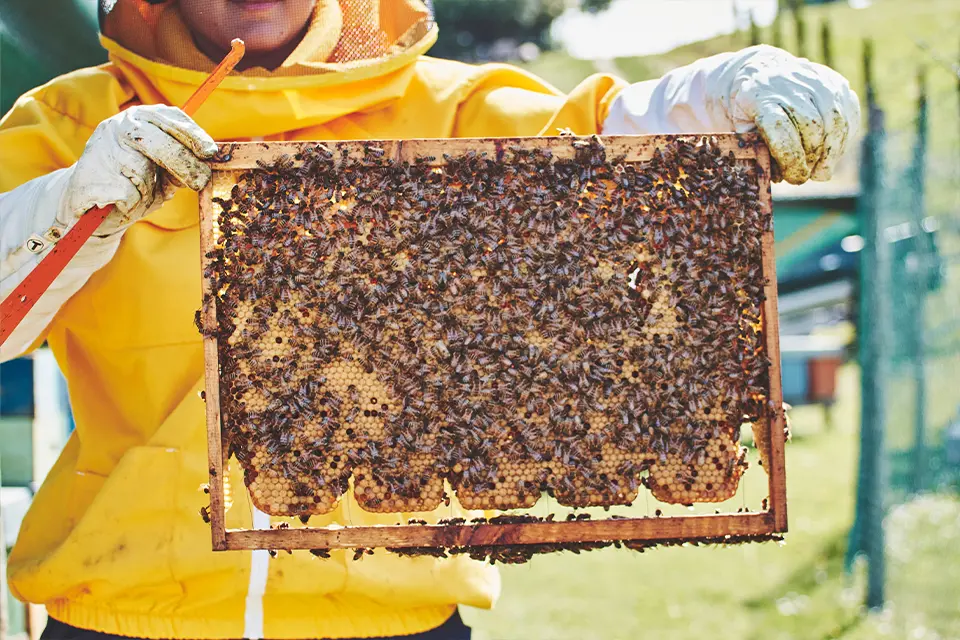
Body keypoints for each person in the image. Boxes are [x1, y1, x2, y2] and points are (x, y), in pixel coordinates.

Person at [0, 1, 860, 638]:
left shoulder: (451, 108)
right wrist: (72, 202)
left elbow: (608, 137)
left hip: (394, 617)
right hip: (124, 615)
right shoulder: (72, 124)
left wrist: (719, 90)